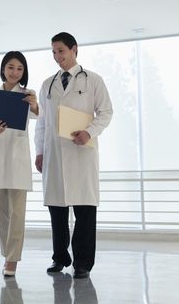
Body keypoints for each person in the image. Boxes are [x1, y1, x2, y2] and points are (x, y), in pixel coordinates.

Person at [34, 32, 113, 279]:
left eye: (61, 51)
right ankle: (60, 257)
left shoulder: (93, 80)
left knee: (84, 212)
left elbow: (106, 112)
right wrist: (39, 151)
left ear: (74, 49)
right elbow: (42, 122)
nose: (57, 57)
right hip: (54, 154)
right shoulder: (47, 84)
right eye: (54, 52)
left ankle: (82, 263)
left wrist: (89, 133)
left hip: (81, 153)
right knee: (57, 211)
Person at [0, 51, 39, 277]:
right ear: (3, 68)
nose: (15, 72)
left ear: (24, 72)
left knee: (17, 213)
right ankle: (6, 254)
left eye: (19, 69)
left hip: (18, 160)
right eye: (11, 67)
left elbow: (39, 116)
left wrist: (34, 106)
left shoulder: (27, 95)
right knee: (2, 213)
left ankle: (12, 260)